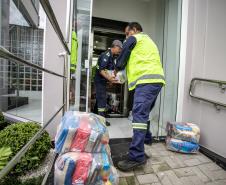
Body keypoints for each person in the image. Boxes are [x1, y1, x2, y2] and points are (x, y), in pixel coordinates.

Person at [115, 22, 165, 171]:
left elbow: (123, 55)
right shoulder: (149, 42)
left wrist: (117, 67)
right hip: (156, 81)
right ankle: (146, 140)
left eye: (127, 33)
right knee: (144, 115)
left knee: (138, 116)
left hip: (146, 81)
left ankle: (136, 157)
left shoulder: (135, 38)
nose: (126, 37)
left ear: (134, 30)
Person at [95, 40, 123, 126]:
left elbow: (109, 71)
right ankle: (101, 121)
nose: (120, 51)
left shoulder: (112, 57)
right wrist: (109, 79)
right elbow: (101, 70)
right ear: (115, 46)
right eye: (119, 49)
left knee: (100, 100)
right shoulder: (106, 55)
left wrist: (111, 79)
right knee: (102, 100)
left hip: (104, 81)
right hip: (100, 81)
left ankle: (97, 118)